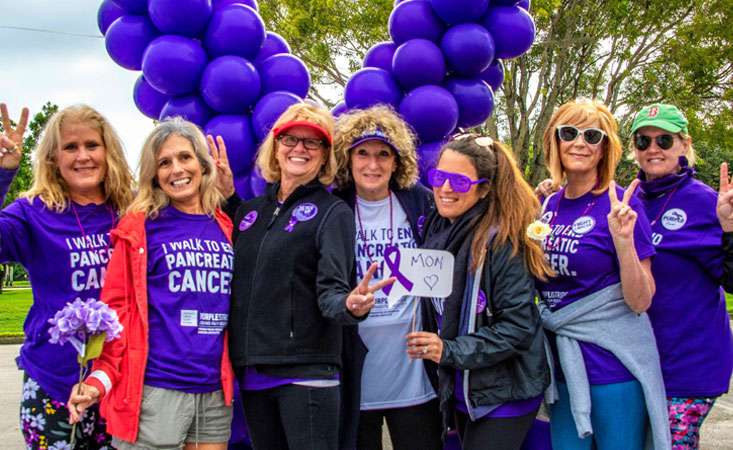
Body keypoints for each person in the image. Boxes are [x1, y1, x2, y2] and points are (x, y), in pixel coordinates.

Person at [227, 102, 394, 450]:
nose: (299, 148)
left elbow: (332, 289)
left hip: (307, 373)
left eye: (312, 142)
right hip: (254, 372)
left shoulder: (333, 212)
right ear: (275, 146)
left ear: (324, 156)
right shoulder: (249, 213)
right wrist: (228, 198)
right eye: (290, 139)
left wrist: (351, 304)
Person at [67, 117, 235, 450]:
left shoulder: (225, 225)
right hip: (156, 391)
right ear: (154, 175)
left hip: (214, 392)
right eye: (164, 163)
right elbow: (114, 312)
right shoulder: (140, 228)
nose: (176, 169)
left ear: (202, 164)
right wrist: (99, 379)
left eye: (185, 157)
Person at [536, 99, 669, 449]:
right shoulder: (547, 206)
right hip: (563, 369)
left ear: (604, 147)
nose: (579, 142)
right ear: (556, 141)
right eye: (569, 133)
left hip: (613, 369)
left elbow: (640, 301)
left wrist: (624, 242)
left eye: (591, 135)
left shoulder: (623, 205)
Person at [0, 103, 134, 449]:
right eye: (70, 147)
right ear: (53, 158)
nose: (82, 156)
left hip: (117, 380)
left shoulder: (131, 210)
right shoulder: (32, 212)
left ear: (109, 152)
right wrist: (4, 174)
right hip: (52, 380)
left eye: (92, 145)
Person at [405, 134, 551, 450]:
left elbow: (517, 328)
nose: (444, 188)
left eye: (458, 182)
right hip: (460, 387)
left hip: (504, 391)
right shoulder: (438, 228)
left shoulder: (502, 242)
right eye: (439, 177)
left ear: (484, 189)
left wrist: (449, 350)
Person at [332, 105, 440, 450]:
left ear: (398, 161)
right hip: (356, 369)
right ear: (348, 159)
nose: (373, 164)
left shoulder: (422, 202)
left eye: (383, 154)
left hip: (414, 370)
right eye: (362, 153)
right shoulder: (334, 208)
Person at [629, 103, 733, 449]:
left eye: (664, 140)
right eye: (643, 141)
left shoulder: (707, 202)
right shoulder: (627, 200)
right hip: (636, 362)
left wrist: (730, 229)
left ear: (684, 145)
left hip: (689, 366)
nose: (653, 149)